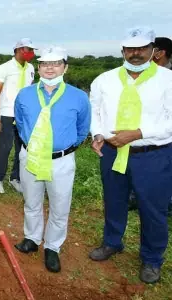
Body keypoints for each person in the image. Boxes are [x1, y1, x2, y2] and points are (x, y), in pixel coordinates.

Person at [89, 27, 172, 284]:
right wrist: (97, 135)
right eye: (130, 49)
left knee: (153, 209)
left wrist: (138, 133)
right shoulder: (105, 79)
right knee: (114, 200)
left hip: (152, 155)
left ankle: (151, 258)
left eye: (142, 48)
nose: (136, 53)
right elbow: (95, 110)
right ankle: (113, 242)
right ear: (122, 50)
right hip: (113, 152)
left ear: (153, 51)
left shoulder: (167, 80)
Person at [13, 46, 91, 273]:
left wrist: (62, 148)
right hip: (31, 156)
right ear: (38, 68)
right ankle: (32, 238)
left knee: (60, 206)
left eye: (56, 63)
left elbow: (82, 129)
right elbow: (19, 121)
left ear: (65, 67)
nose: (50, 68)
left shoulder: (78, 96)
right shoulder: (25, 94)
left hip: (61, 161)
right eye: (45, 64)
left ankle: (53, 247)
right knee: (31, 202)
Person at [128, 37, 172, 213]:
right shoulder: (139, 76)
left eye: (147, 49)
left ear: (158, 53)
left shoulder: (167, 79)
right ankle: (136, 198)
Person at [0, 38, 36, 194]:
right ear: (18, 50)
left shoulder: (31, 67)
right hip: (7, 113)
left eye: (32, 50)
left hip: (24, 115)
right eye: (27, 49)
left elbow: (31, 91)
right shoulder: (5, 68)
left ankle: (15, 178)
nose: (31, 53)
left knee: (21, 148)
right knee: (5, 147)